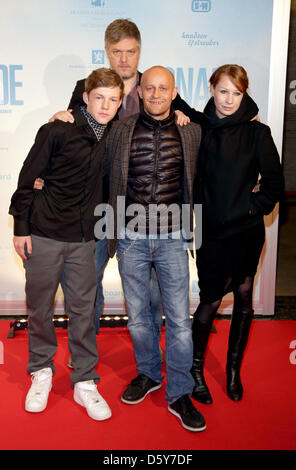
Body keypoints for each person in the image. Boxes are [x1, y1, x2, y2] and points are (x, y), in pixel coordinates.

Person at [9, 68, 124, 420]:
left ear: (120, 103)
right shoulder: (56, 130)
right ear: (85, 98)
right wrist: (21, 228)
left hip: (85, 240)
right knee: (40, 309)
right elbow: (27, 180)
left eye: (113, 99)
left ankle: (85, 380)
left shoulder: (116, 135)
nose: (105, 106)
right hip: (42, 234)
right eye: (99, 97)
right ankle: (41, 370)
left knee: (83, 313)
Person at [48, 18, 164, 339]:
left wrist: (243, 111)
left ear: (139, 51)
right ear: (107, 52)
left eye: (131, 51)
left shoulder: (152, 86)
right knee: (88, 281)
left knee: (150, 286)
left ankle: (150, 348)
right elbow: (72, 129)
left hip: (141, 207)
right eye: (117, 52)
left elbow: (188, 117)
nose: (124, 59)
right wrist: (58, 118)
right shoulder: (87, 86)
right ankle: (86, 347)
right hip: (98, 206)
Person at [106, 65, 206, 432]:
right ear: (140, 92)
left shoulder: (191, 131)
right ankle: (149, 373)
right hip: (130, 235)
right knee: (137, 318)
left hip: (172, 237)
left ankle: (180, 393)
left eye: (163, 89)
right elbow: (91, 156)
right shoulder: (119, 130)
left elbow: (229, 127)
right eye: (150, 89)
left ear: (173, 91)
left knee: (179, 321)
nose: (156, 95)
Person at [188, 64, 284, 404]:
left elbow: (274, 185)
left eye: (237, 93)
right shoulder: (198, 128)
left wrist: (250, 205)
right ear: (212, 89)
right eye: (224, 91)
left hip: (245, 231)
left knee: (244, 298)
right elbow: (163, 98)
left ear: (244, 94)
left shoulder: (258, 132)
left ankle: (232, 371)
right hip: (211, 231)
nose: (229, 99)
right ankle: (196, 371)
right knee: (209, 301)